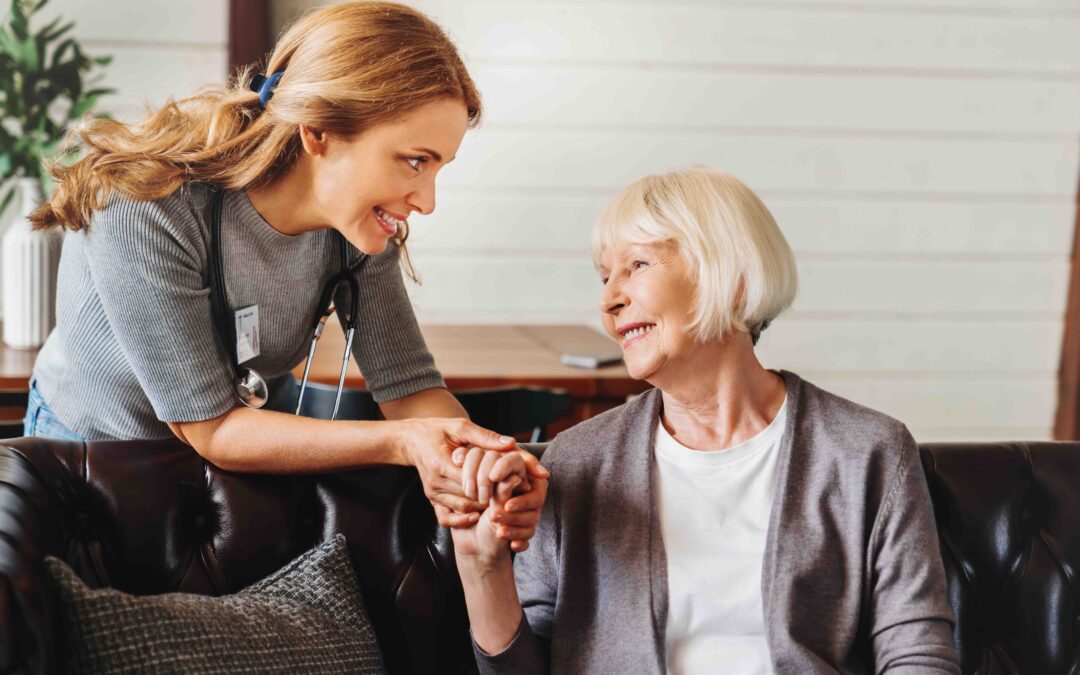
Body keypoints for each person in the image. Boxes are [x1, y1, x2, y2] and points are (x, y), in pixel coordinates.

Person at [25, 1, 547, 546]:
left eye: (439, 167)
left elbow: (411, 388)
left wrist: (484, 466)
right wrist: (402, 442)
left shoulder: (356, 230)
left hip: (235, 458)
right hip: (90, 457)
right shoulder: (145, 205)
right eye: (415, 161)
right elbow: (213, 428)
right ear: (318, 132)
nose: (428, 201)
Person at [450, 167, 960, 673]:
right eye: (606, 276)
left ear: (732, 277)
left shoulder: (867, 452)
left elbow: (918, 653)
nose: (609, 300)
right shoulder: (577, 461)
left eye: (638, 265)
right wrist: (483, 570)